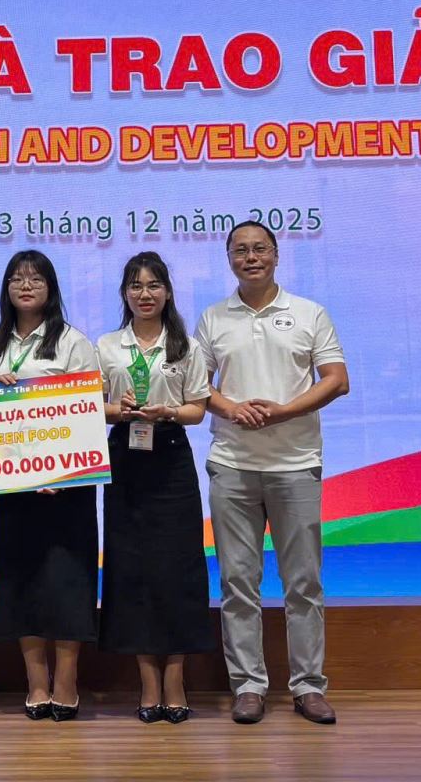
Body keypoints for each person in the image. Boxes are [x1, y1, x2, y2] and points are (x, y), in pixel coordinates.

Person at [195, 220, 350, 727]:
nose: (251, 257)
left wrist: (283, 411)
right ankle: (248, 686)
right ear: (229, 259)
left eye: (260, 248)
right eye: (241, 250)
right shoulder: (213, 318)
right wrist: (232, 407)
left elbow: (336, 380)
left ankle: (308, 686)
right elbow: (197, 385)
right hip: (232, 464)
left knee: (303, 582)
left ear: (277, 255)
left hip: (296, 464)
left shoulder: (309, 312)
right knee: (238, 582)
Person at [96, 251, 218, 723]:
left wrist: (168, 411)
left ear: (167, 292)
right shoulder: (108, 345)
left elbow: (197, 410)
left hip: (170, 457)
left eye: (153, 285)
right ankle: (148, 681)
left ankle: (175, 679)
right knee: (132, 569)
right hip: (125, 457)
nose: (144, 294)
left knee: (177, 568)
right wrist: (119, 410)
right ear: (125, 294)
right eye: (136, 286)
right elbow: (92, 406)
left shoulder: (186, 345)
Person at [0, 250, 100, 722]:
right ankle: (36, 682)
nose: (25, 286)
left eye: (35, 278)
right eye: (16, 278)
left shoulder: (72, 342)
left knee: (68, 580)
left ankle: (67, 680)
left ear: (50, 287)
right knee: (20, 579)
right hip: (12, 484)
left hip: (65, 485)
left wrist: (57, 474)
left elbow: (87, 410)